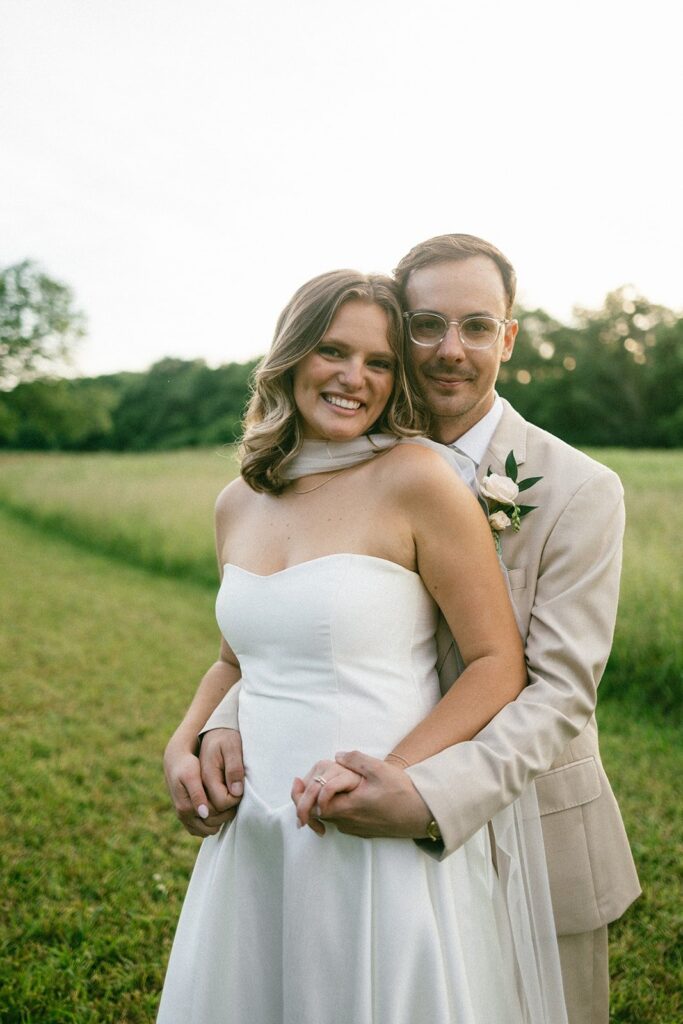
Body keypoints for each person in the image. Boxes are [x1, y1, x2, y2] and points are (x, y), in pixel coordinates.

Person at [190, 236, 641, 1024]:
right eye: (426, 326)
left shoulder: (577, 490)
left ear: (506, 337)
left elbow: (557, 690)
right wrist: (216, 723)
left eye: (475, 326)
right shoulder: (333, 469)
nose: (448, 350)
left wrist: (419, 791)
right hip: (331, 809)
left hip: (523, 817)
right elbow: (297, 630)